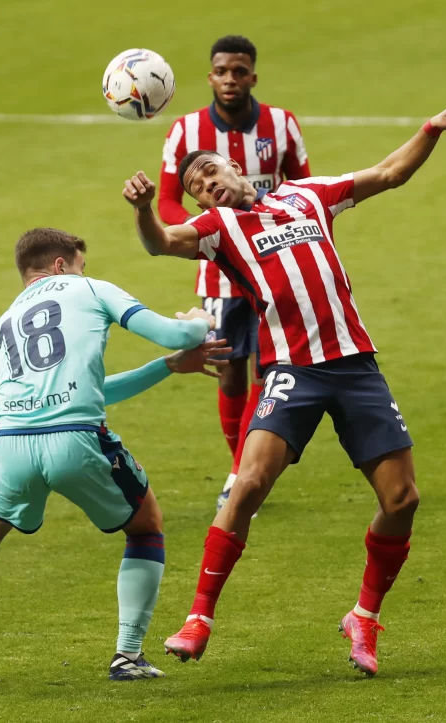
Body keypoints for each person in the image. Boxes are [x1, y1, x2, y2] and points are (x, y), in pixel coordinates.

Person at [123, 97, 446, 675]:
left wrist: (431, 128)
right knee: (247, 485)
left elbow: (389, 174)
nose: (208, 186)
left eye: (212, 172)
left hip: (355, 365)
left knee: (403, 500)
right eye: (197, 186)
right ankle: (198, 618)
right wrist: (146, 210)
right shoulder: (218, 230)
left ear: (235, 168)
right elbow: (159, 243)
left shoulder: (308, 194)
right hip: (292, 372)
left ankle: (364, 618)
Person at [0, 227, 228, 682]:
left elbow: (93, 390)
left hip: (11, 441)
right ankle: (127, 655)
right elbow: (175, 333)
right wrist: (201, 321)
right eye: (81, 264)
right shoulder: (89, 289)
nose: (85, 271)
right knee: (146, 526)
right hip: (76, 438)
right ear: (62, 264)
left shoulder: (3, 322)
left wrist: (166, 368)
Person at [159, 34, 311, 510]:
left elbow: (303, 187)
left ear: (253, 77)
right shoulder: (185, 131)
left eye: (239, 71)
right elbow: (167, 200)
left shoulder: (282, 125)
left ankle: (246, 470)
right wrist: (205, 234)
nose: (230, 79)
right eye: (222, 71)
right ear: (210, 76)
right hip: (220, 274)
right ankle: (236, 465)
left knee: (271, 372)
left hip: (272, 268)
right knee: (228, 373)